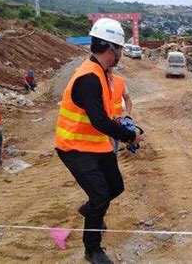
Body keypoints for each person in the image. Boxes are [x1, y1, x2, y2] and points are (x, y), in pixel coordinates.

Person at [55, 18, 143, 264]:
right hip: (74, 147)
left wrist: (125, 125)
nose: (122, 53)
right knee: (101, 195)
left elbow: (106, 116)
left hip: (95, 143)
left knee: (116, 186)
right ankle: (92, 249)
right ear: (110, 48)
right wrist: (129, 135)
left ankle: (90, 209)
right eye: (120, 48)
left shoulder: (103, 73)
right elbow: (99, 120)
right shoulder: (89, 78)